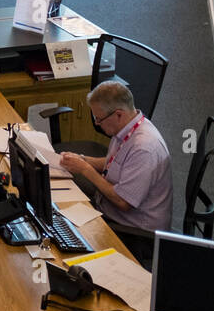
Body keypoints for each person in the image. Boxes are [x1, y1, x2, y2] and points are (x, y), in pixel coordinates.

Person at [58, 80, 172, 233]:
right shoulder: (129, 126)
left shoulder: (144, 149)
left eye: (99, 119)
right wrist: (83, 159)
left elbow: (123, 202)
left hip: (133, 230)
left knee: (68, 230)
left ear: (118, 114)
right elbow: (118, 161)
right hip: (108, 206)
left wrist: (85, 169)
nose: (97, 123)